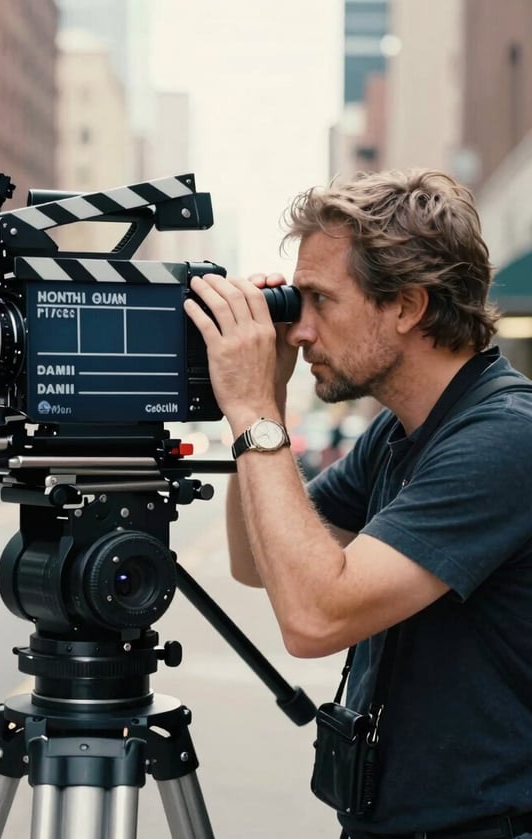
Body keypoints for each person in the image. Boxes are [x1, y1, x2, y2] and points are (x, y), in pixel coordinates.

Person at [183, 169, 532, 839]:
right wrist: (264, 401)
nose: (300, 330)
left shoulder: (504, 440)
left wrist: (253, 411)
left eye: (319, 299)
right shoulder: (398, 431)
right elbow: (254, 560)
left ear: (406, 306)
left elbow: (314, 618)